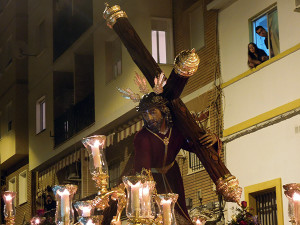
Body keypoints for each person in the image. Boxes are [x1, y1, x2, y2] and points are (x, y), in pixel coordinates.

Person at [134, 92, 219, 225]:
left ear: (163, 110)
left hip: (173, 176)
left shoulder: (176, 130)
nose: (149, 118)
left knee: (181, 213)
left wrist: (213, 140)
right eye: (145, 114)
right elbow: (142, 168)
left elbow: (195, 146)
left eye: (152, 112)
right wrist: (148, 191)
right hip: (153, 181)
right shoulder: (142, 137)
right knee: (158, 217)